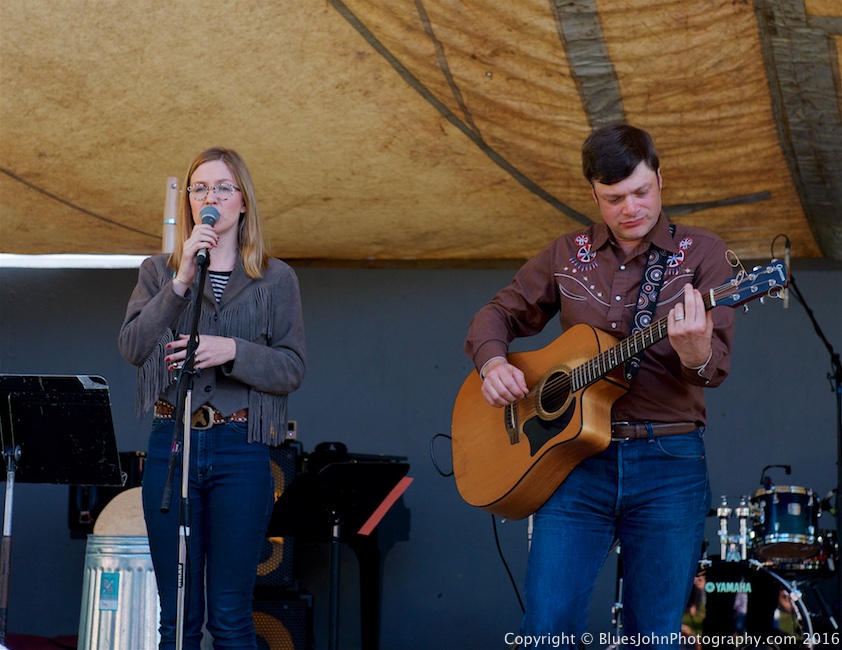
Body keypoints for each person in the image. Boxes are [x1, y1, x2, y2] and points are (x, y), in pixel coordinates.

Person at [465, 124, 735, 647]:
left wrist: (694, 349)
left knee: (655, 636)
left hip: (668, 462)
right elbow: (497, 314)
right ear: (593, 193)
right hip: (573, 463)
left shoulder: (703, 254)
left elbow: (714, 368)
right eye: (613, 198)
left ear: (660, 178)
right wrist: (492, 363)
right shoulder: (567, 253)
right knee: (546, 630)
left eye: (641, 191)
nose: (630, 208)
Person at [118, 147, 306, 649]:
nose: (211, 197)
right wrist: (180, 281)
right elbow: (134, 347)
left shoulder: (276, 277)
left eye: (223, 188)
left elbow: (291, 368)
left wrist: (232, 351)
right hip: (171, 444)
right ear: (189, 204)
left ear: (242, 202)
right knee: (176, 619)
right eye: (199, 188)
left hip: (240, 448)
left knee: (230, 617)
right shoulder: (159, 271)